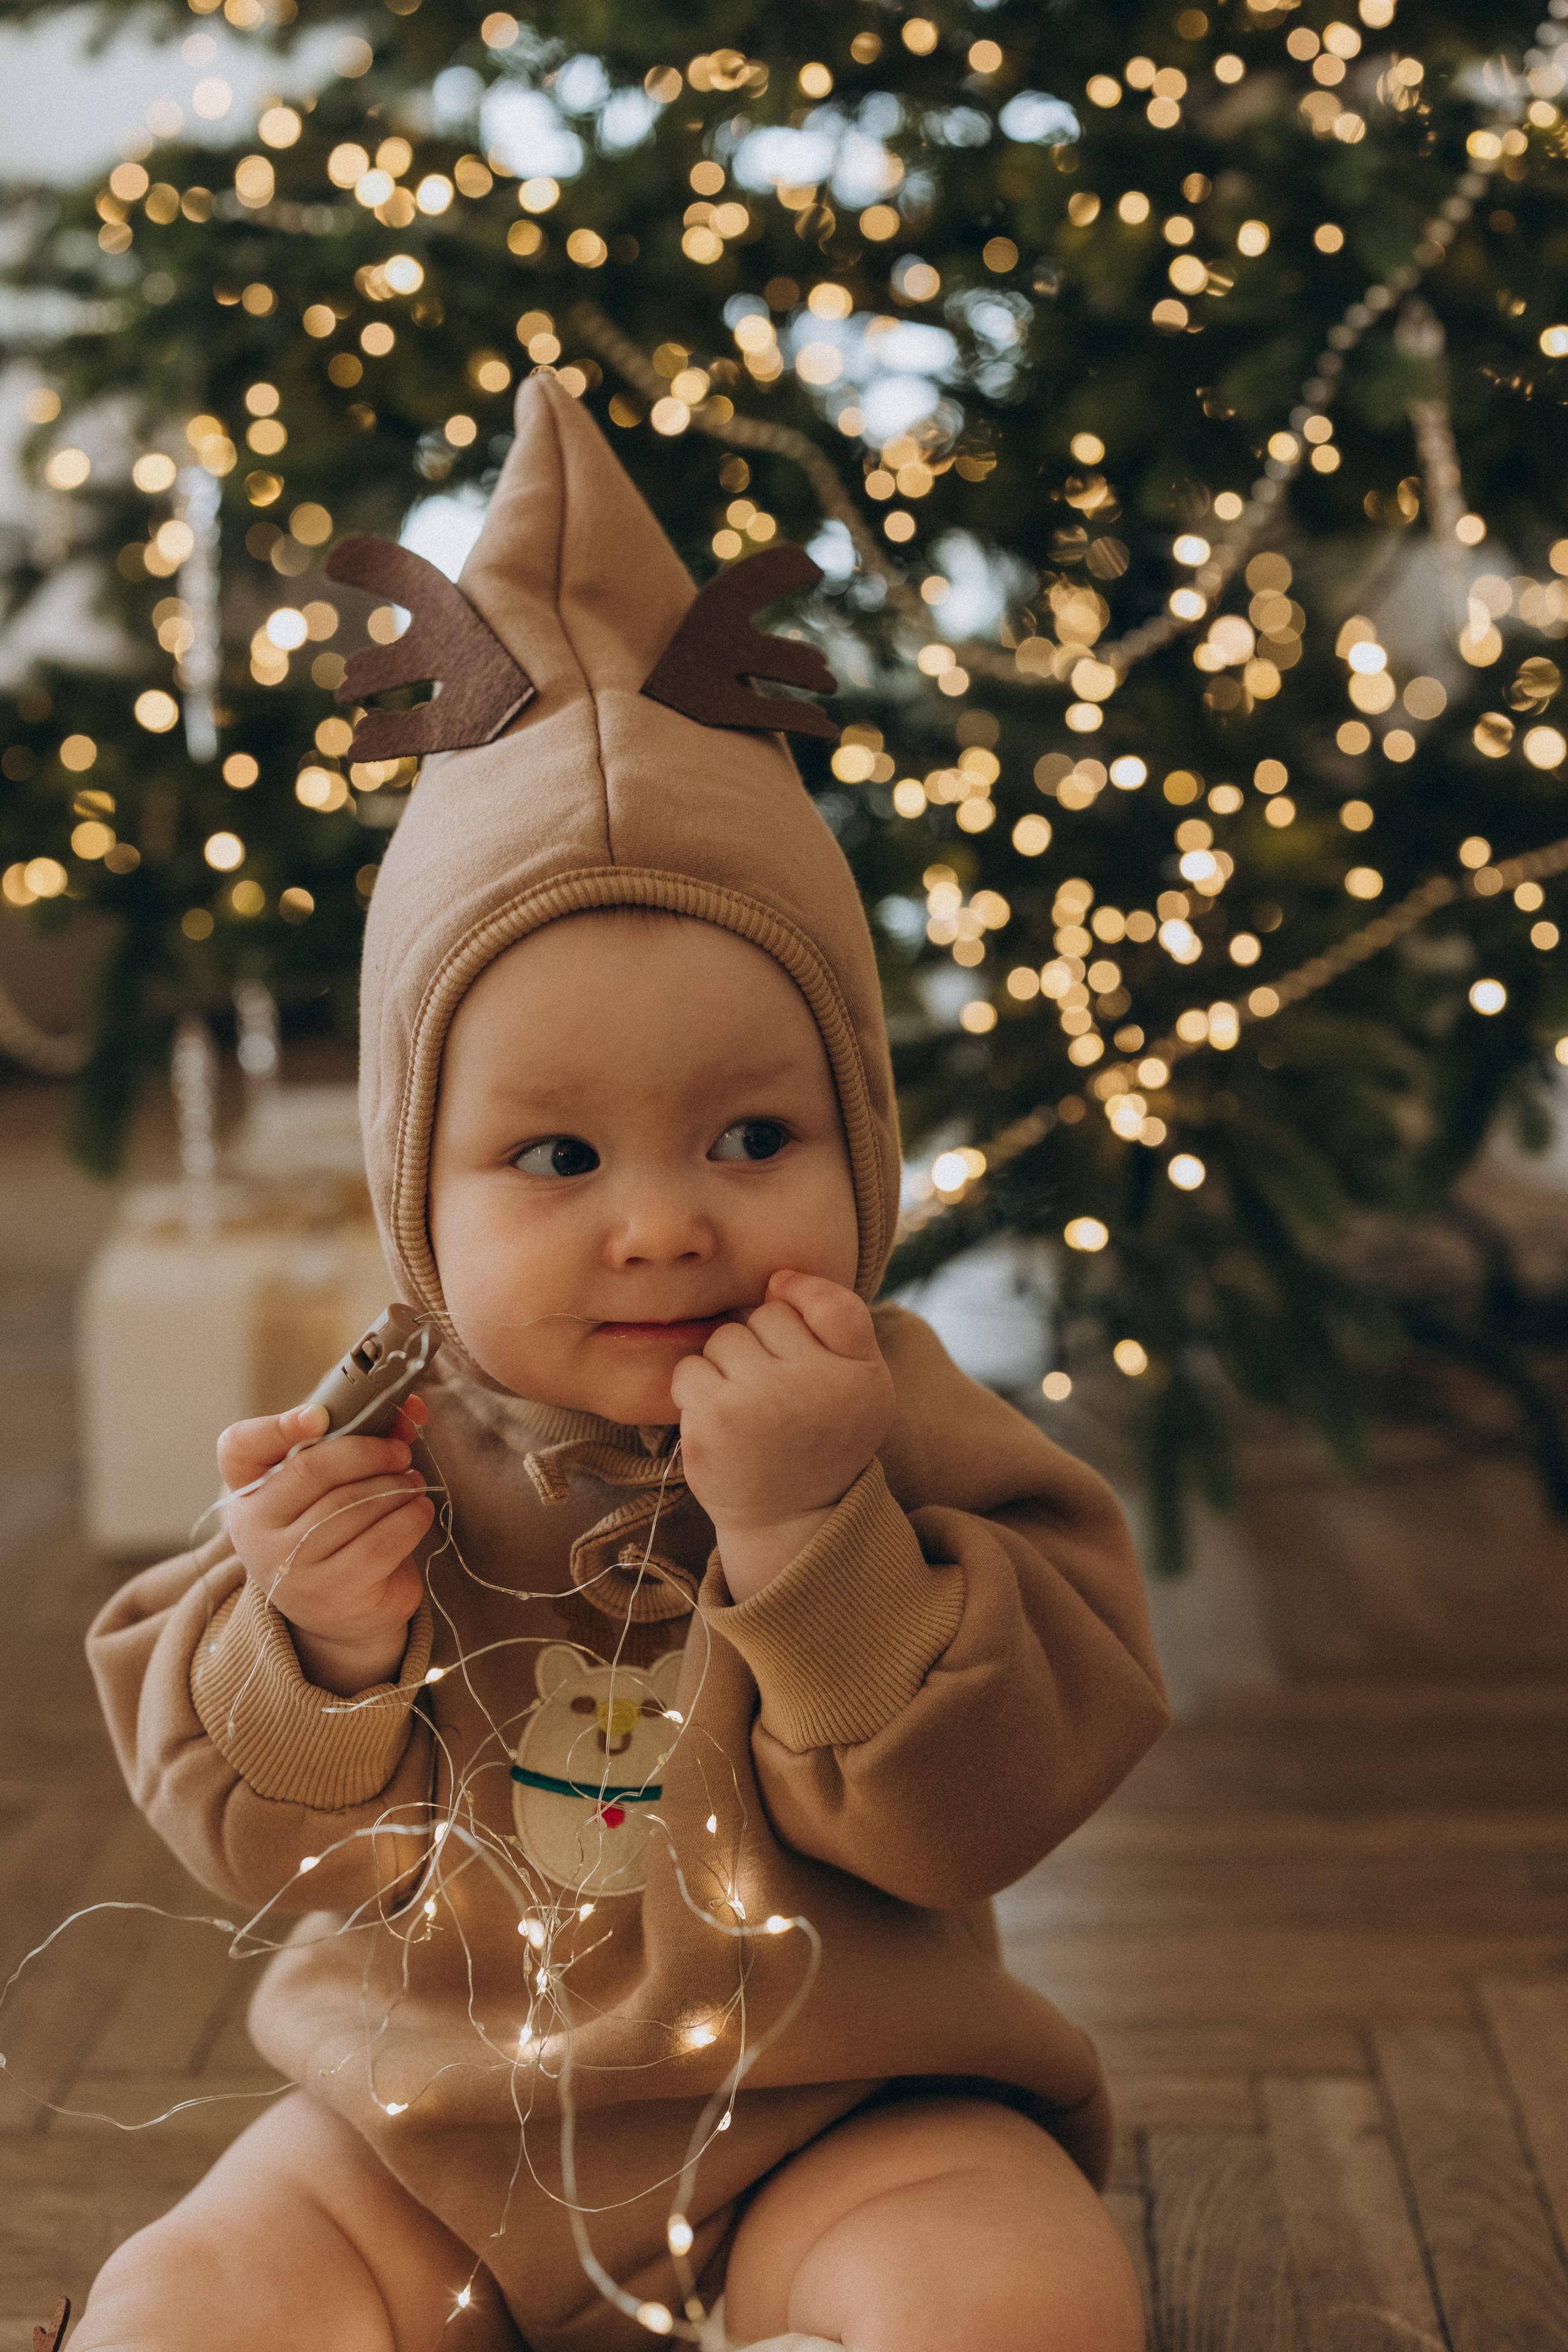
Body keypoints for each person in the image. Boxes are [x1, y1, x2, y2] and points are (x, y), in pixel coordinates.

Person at [75, 375, 1169, 2352]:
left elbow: (978, 1811)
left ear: (862, 1132)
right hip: (422, 2117)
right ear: (421, 1191)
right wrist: (313, 1652)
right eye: (557, 1158)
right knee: (187, 2306)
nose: (664, 1222)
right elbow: (251, 1840)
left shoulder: (899, 1420)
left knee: (1016, 2298)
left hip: (851, 2104)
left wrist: (816, 1532)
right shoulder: (374, 1442)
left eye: (754, 1139)